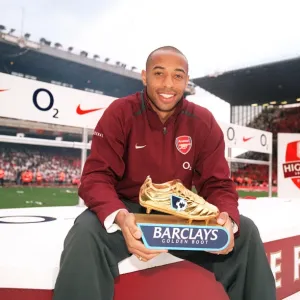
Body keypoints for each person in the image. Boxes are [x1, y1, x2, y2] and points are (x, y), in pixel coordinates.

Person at [53, 46, 276, 300]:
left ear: (186, 80)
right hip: (130, 213)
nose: (168, 84)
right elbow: (96, 177)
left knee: (244, 232)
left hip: (181, 217)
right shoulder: (120, 113)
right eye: (159, 74)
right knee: (85, 233)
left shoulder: (203, 121)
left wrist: (227, 219)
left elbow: (217, 184)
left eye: (178, 76)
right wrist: (120, 217)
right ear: (144, 76)